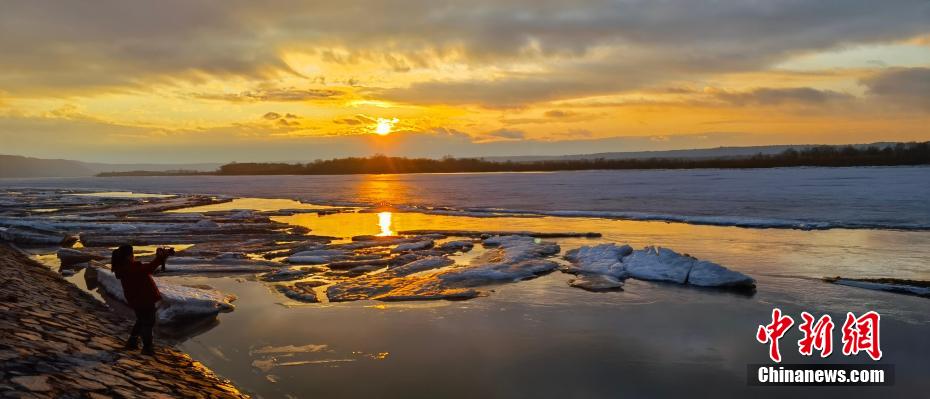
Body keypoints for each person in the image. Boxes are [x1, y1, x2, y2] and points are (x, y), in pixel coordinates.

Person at [111, 245, 173, 355]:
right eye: (132, 254)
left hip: (137, 298)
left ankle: (132, 342)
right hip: (143, 298)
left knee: (141, 320)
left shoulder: (124, 267)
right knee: (148, 322)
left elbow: (147, 269)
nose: (133, 256)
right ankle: (147, 348)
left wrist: (161, 257)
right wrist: (159, 258)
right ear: (127, 257)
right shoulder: (130, 268)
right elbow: (149, 268)